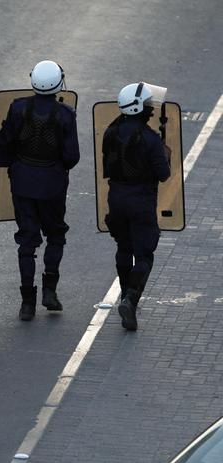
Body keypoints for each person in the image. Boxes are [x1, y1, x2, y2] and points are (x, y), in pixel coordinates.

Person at [0, 60, 80, 320]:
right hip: (53, 183)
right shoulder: (65, 114)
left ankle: (27, 302)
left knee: (27, 240)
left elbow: (6, 143)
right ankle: (50, 291)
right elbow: (72, 156)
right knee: (55, 235)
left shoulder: (18, 107)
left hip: (22, 181)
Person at [102, 83, 171, 331]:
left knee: (123, 246)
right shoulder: (151, 139)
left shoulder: (110, 132)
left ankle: (124, 294)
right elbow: (163, 175)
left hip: (117, 197)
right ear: (140, 108)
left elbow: (107, 167)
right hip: (141, 200)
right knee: (144, 254)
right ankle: (131, 298)